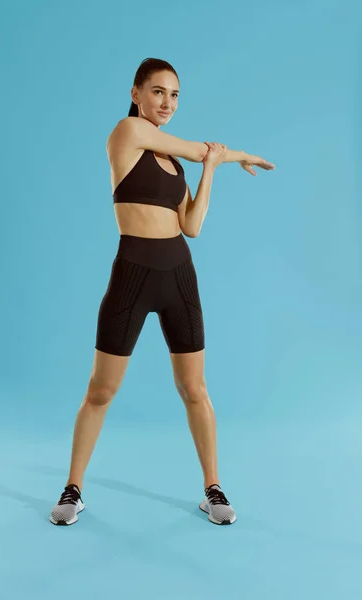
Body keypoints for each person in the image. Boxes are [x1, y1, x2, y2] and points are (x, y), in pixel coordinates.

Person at [50, 57, 275, 527]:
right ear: (136, 93)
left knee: (195, 388)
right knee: (101, 390)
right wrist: (236, 155)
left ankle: (212, 489)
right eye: (157, 92)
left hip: (178, 275)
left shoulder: (174, 162)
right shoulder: (126, 134)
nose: (166, 102)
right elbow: (198, 149)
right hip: (133, 273)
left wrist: (213, 169)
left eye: (174, 95)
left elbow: (191, 226)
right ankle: (72, 490)